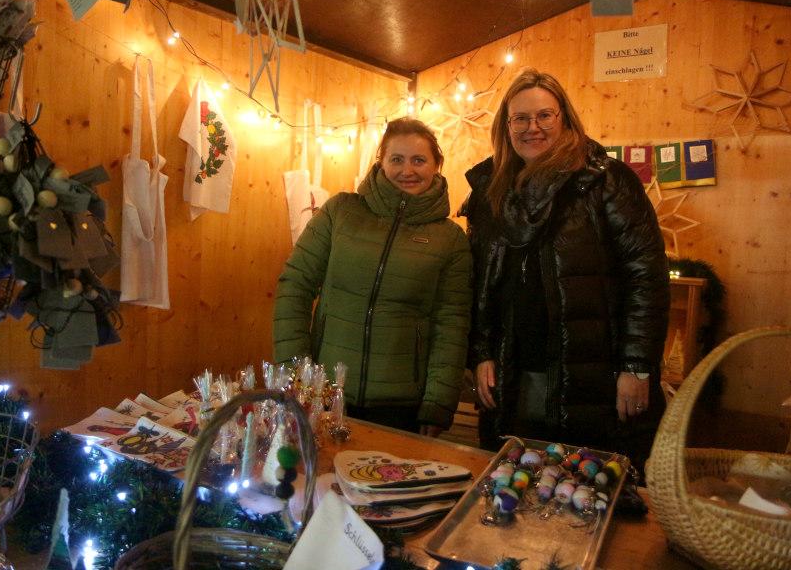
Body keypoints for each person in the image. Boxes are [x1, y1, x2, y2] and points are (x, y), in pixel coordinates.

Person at [461, 68, 670, 472]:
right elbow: (480, 282)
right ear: (506, 127)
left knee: (589, 493)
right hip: (514, 372)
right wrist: (481, 352)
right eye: (520, 118)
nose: (532, 127)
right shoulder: (491, 190)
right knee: (516, 488)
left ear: (565, 118)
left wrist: (636, 366)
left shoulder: (606, 181)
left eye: (544, 115)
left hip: (594, 374)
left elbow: (646, 276)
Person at [274, 118, 472, 438]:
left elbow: (452, 324)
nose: (407, 170)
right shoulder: (340, 212)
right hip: (326, 393)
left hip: (402, 406)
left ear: (437, 165)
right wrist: (296, 375)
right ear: (381, 162)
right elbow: (294, 286)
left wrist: (438, 403)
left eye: (419, 160)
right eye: (397, 159)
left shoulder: (450, 239)